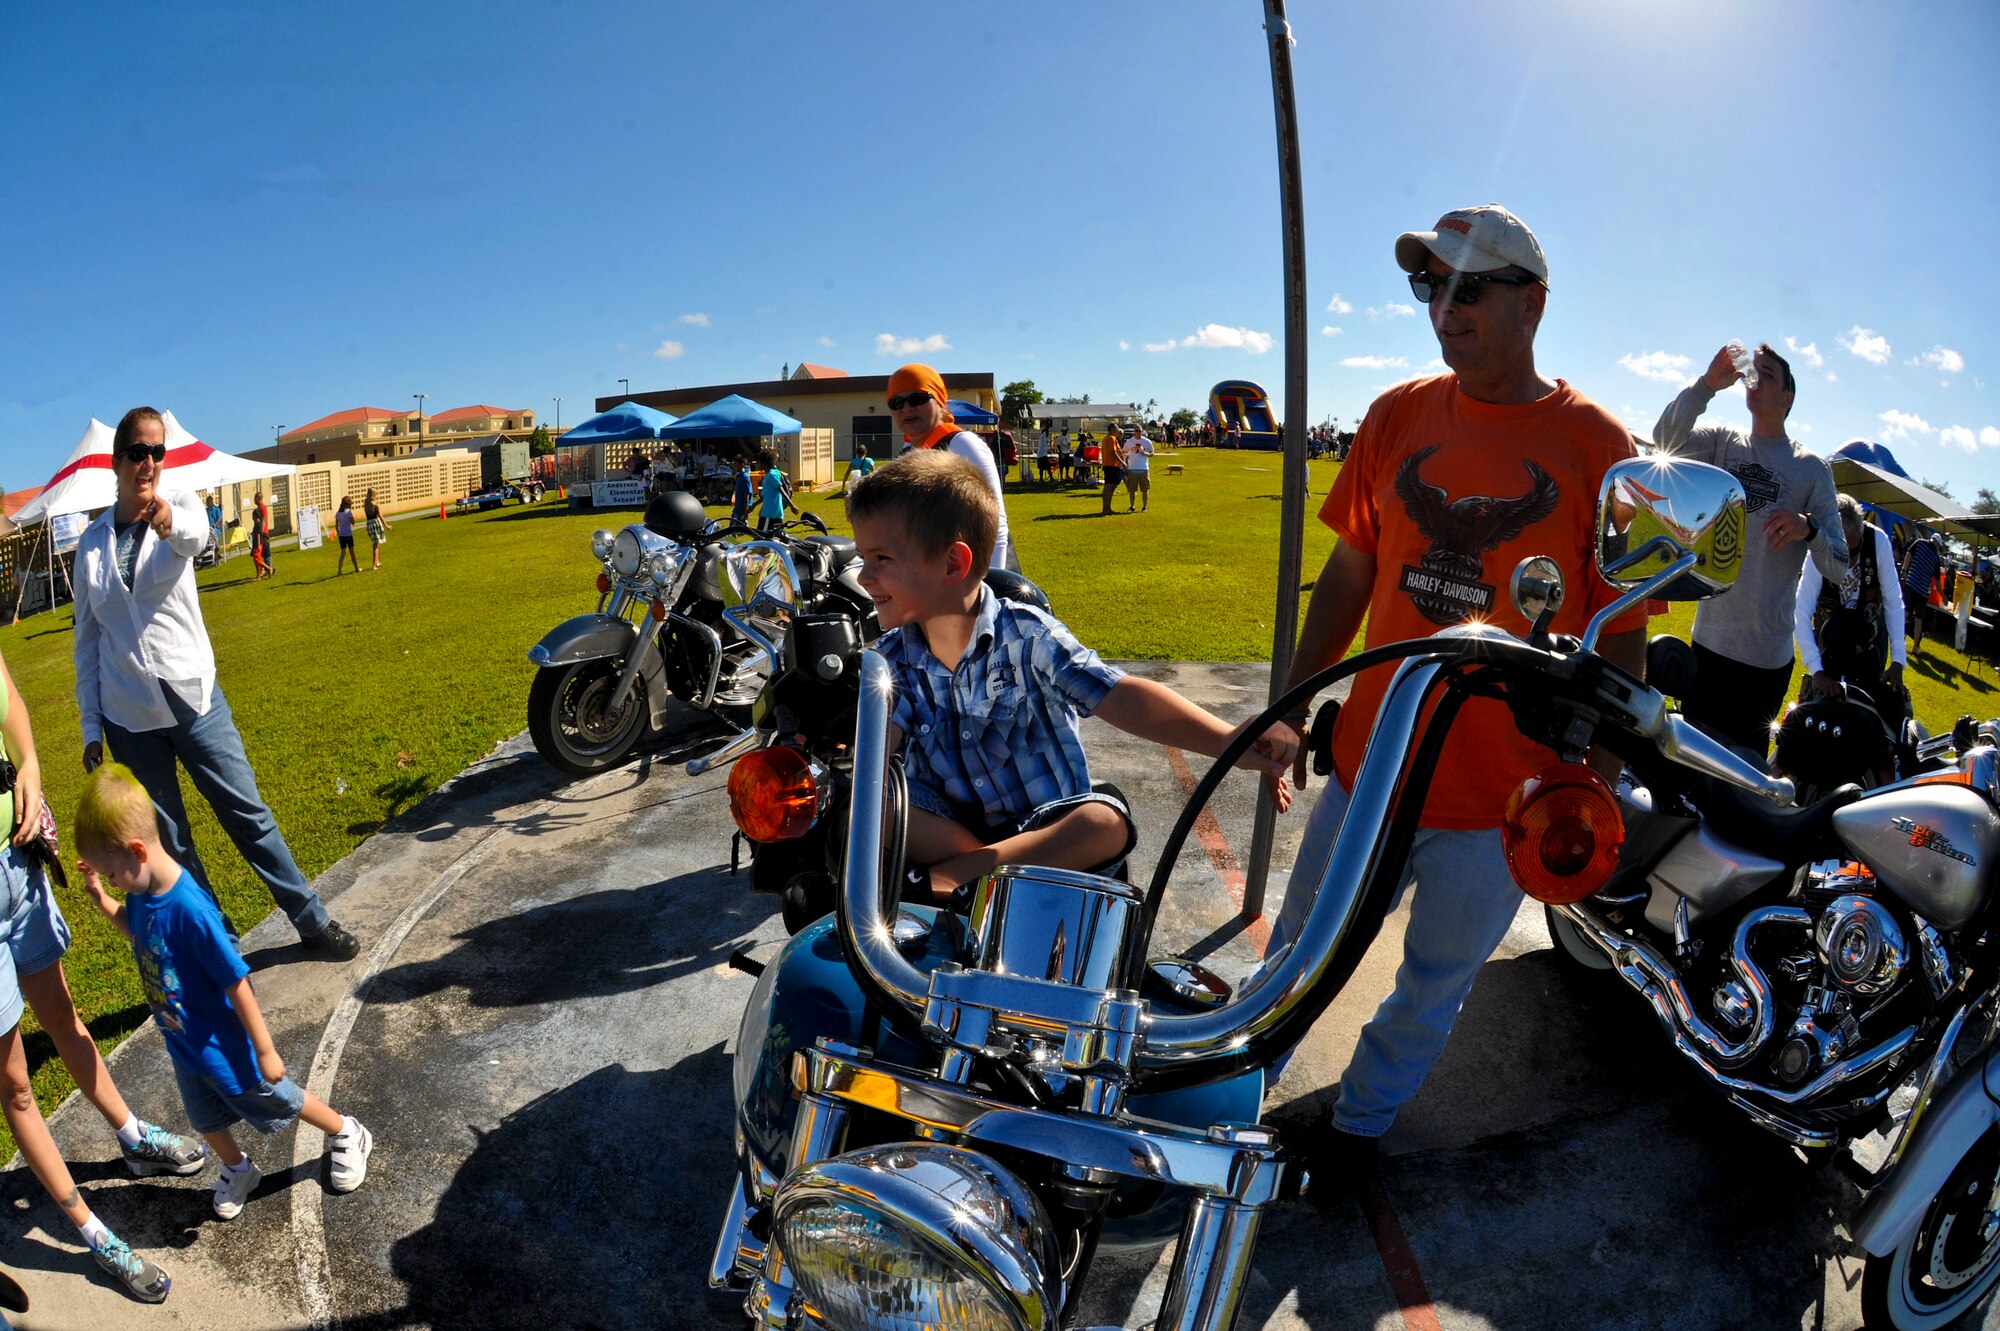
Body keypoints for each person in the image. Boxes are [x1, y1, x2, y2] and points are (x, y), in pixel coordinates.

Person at [1268, 204, 1651, 1184]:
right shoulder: (1397, 412)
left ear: (1531, 300)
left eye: (1469, 284)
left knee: (1430, 987)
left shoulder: (1599, 445)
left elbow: (1623, 637)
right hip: (1367, 771)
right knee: (1291, 964)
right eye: (1428, 284)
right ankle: (1233, 1094)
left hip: (1498, 803)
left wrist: (1591, 792)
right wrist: (1291, 702)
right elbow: (1351, 570)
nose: (1445, 305)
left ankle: (1356, 1128)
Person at [847, 450, 1296, 903]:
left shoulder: (1027, 634)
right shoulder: (888, 660)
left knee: (1105, 822)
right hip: (952, 829)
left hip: (1045, 820)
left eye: (881, 558)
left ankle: (965, 877)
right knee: (868, 804)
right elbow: (876, 754)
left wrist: (1226, 741)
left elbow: (1119, 696)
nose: (865, 576)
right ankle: (985, 867)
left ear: (952, 565)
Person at [74, 407, 360, 960]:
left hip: (194, 700)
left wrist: (165, 518)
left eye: (157, 452)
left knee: (246, 813)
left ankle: (311, 918)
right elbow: (87, 644)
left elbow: (195, 536)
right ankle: (220, 946)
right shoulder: (90, 546)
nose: (149, 462)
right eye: (138, 452)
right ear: (117, 460)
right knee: (173, 844)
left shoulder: (178, 506)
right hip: (129, 719)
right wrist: (91, 726)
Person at [74, 763, 374, 1223]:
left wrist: (265, 1048)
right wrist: (102, 899)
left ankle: (345, 1131)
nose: (112, 881)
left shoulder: (190, 909)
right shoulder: (141, 893)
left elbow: (236, 979)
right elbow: (138, 934)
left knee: (279, 1097)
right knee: (205, 1119)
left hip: (223, 1044)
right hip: (184, 1042)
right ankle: (238, 1168)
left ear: (137, 851)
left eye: (111, 873)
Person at [1, 650, 188, 1304]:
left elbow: (12, 704)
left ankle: (133, 1137)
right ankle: (92, 1229)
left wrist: (26, 761)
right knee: (15, 1083)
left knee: (64, 1017)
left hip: (15, 868)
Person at [1650, 342, 1846, 755]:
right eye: (1753, 371)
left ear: (1787, 397)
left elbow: (1840, 566)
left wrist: (1808, 530)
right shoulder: (1723, 442)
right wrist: (1706, 385)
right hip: (1709, 645)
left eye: (1768, 375)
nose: (1754, 379)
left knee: (1744, 775)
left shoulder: (1811, 469)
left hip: (1766, 661)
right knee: (1692, 764)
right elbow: (1663, 439)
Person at [886, 363, 1016, 571]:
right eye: (896, 402)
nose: (907, 408)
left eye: (918, 399)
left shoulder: (962, 444)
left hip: (971, 579)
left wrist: (988, 587)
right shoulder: (908, 452)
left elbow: (995, 525)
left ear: (939, 400)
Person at [1797, 494, 1905, 702]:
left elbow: (1893, 601)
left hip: (1870, 645)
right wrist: (1816, 671)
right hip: (1829, 646)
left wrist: (1898, 659)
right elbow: (1801, 608)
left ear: (1862, 530)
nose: (1851, 559)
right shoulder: (1818, 549)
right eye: (1843, 553)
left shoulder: (1878, 542)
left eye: (1855, 551)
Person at [1902, 530, 1942, 653]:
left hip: (1911, 583)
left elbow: (1909, 554)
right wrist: (1943, 596)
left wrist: (1904, 569)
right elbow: (1937, 581)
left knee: (1906, 613)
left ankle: (1899, 641)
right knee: (1918, 619)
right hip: (1923, 591)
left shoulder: (1919, 543)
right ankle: (1915, 647)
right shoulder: (1936, 558)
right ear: (1937, 544)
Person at [757, 450, 799, 533]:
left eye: (759, 462)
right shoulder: (771, 474)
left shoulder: (771, 476)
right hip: (773, 512)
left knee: (761, 538)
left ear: (764, 464)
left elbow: (781, 490)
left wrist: (792, 506)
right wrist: (754, 506)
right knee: (778, 537)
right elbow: (765, 495)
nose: (758, 464)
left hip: (769, 513)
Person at [1121, 424, 1155, 513]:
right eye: (1136, 431)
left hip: (1143, 468)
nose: (1138, 433)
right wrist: (1126, 461)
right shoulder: (1129, 441)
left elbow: (1152, 453)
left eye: (1139, 431)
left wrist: (1145, 453)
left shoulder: (1147, 441)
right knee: (1132, 489)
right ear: (1134, 432)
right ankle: (1132, 506)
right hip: (1132, 468)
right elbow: (1123, 451)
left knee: (1145, 489)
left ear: (1142, 431)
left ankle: (1144, 507)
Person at [331, 496, 360, 575]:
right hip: (348, 535)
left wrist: (339, 533)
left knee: (343, 553)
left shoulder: (337, 513)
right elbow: (353, 522)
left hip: (341, 536)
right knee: (352, 552)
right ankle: (356, 568)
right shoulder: (348, 512)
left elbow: (336, 526)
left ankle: (339, 571)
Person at [364, 487, 389, 571]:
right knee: (376, 546)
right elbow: (380, 516)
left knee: (375, 543)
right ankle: (374, 565)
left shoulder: (366, 504)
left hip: (369, 524)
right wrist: (386, 525)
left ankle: (377, 561)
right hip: (375, 524)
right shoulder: (376, 505)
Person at [249, 489, 271, 580]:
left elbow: (264, 519)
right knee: (259, 554)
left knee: (260, 554)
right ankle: (263, 571)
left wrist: (262, 531)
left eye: (255, 498)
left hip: (263, 533)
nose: (254, 500)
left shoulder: (262, 507)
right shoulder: (260, 508)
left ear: (259, 498)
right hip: (262, 533)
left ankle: (268, 569)